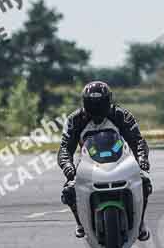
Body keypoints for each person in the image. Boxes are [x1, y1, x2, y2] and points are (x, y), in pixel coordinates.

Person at [58, 81, 152, 240]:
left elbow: (137, 141)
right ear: (85, 103)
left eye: (100, 103)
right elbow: (65, 149)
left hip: (120, 161)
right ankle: (81, 223)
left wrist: (142, 159)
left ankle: (140, 223)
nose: (96, 108)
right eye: (92, 104)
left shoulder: (121, 115)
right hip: (88, 165)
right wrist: (68, 166)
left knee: (144, 182)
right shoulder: (75, 120)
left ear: (108, 101)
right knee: (68, 190)